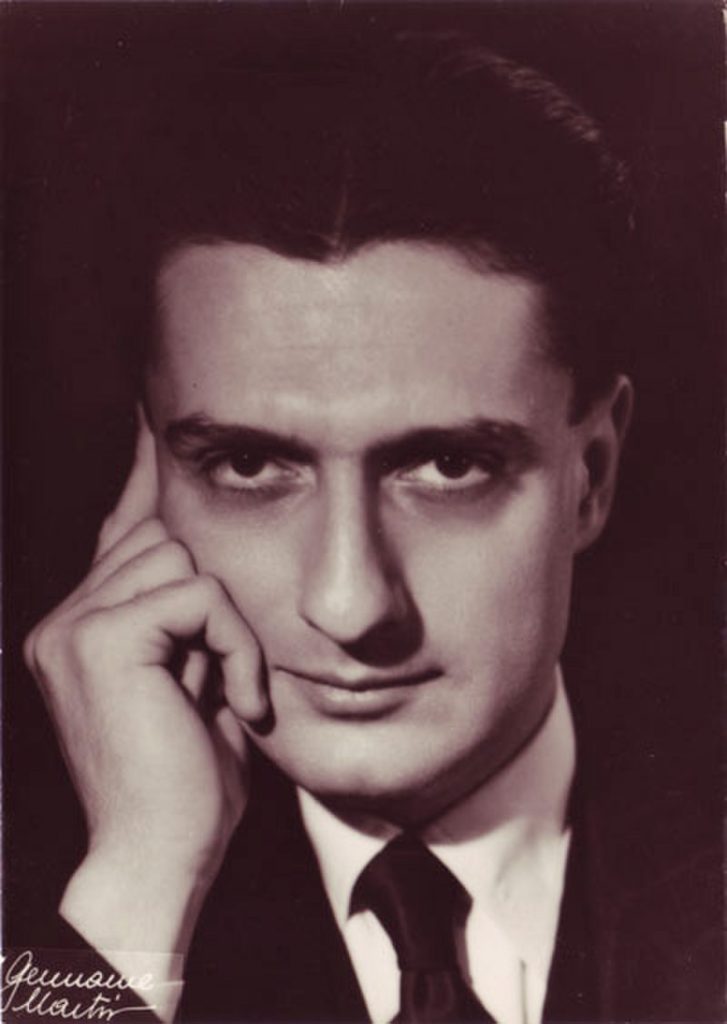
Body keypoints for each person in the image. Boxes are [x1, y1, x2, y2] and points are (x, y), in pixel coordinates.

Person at [16, 26, 720, 1024]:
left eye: (447, 467)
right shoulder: (65, 910)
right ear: (151, 478)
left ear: (591, 476)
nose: (349, 605)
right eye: (248, 465)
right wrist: (139, 881)